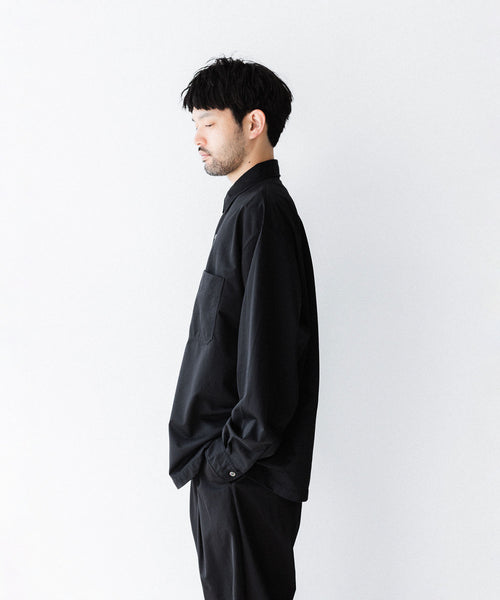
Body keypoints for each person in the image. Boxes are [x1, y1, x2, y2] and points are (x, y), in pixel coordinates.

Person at [168, 56, 320, 600]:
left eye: (209, 122)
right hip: (231, 476)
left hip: (242, 480)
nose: (197, 138)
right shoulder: (247, 209)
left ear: (253, 123)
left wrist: (226, 464)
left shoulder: (263, 213)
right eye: (195, 124)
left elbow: (270, 362)